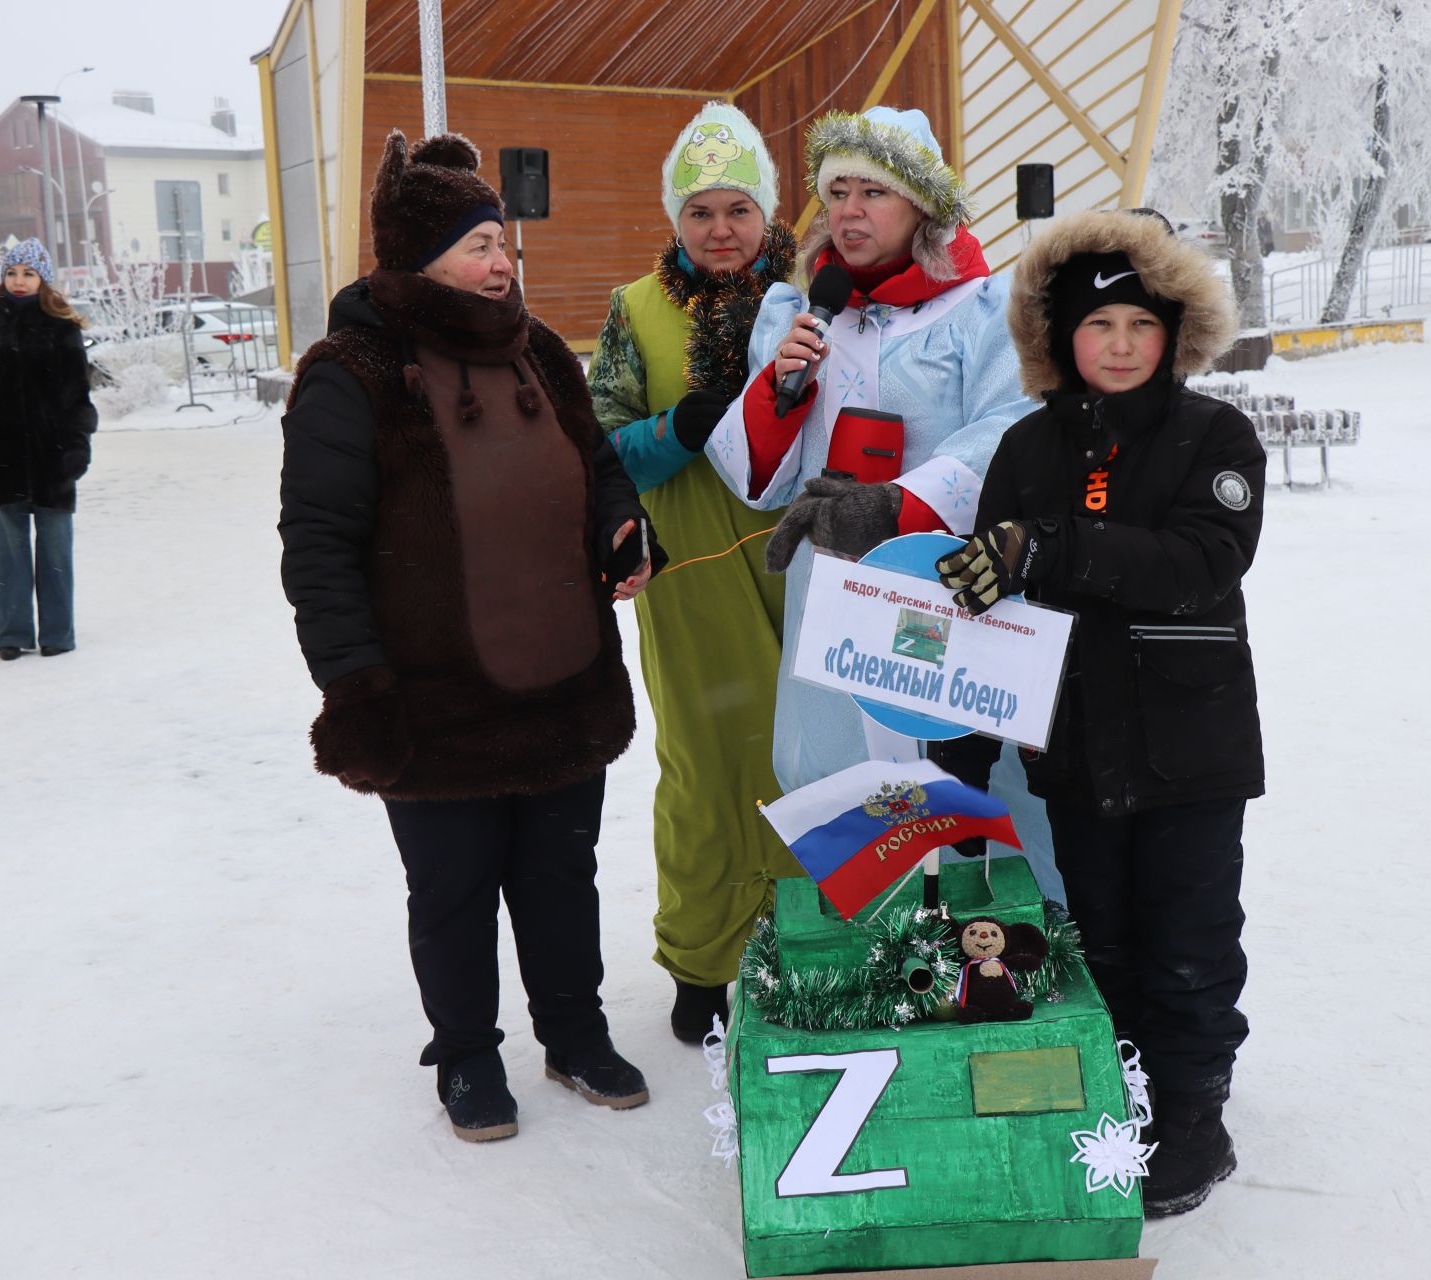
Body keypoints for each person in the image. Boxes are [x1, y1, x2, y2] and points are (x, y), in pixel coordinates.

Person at [279, 131, 664, 1144]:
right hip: (433, 695)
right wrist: (356, 687)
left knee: (559, 873)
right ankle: (465, 1052)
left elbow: (598, 465)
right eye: (480, 244)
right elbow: (317, 546)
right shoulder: (350, 370)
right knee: (451, 888)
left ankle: (573, 1032)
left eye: (504, 244)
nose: (503, 263)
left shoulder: (538, 352)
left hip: (561, 674)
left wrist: (622, 524)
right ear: (419, 255)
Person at [933, 208, 1263, 1217]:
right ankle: (1123, 1098)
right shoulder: (1027, 448)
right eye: (1098, 326)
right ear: (1059, 338)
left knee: (1190, 941)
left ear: (1174, 332)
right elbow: (987, 598)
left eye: (1141, 325)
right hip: (1074, 748)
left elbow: (1203, 562)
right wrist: (962, 734)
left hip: (1189, 753)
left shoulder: (1217, 435)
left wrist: (1058, 547)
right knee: (1104, 940)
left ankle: (1194, 1121)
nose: (1121, 346)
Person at [702, 106, 1061, 901]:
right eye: (837, 193)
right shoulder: (797, 313)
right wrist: (780, 391)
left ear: (922, 207)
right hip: (834, 589)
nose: (849, 211)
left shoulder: (983, 310)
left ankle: (999, 956)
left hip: (948, 582)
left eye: (874, 192)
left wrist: (900, 504)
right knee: (825, 762)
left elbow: (1013, 427)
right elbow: (753, 476)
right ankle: (883, 948)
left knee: (968, 767)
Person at [587, 102, 801, 1045]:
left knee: (807, 765)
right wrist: (679, 428)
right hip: (692, 572)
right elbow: (596, 451)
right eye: (701, 212)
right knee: (703, 770)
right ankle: (703, 961)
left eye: (739, 210)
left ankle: (811, 942)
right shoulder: (636, 310)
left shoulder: (814, 294)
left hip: (807, 565)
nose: (721, 231)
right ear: (675, 218)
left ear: (768, 215)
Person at [0, 239, 95, 661]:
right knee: (9, 553)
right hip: (4, 454)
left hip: (53, 456)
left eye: (28, 273)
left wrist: (78, 447)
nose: (18, 281)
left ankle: (57, 633)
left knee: (54, 553)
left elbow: (78, 397)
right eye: (12, 272)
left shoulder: (62, 328)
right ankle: (12, 634)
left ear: (42, 279)